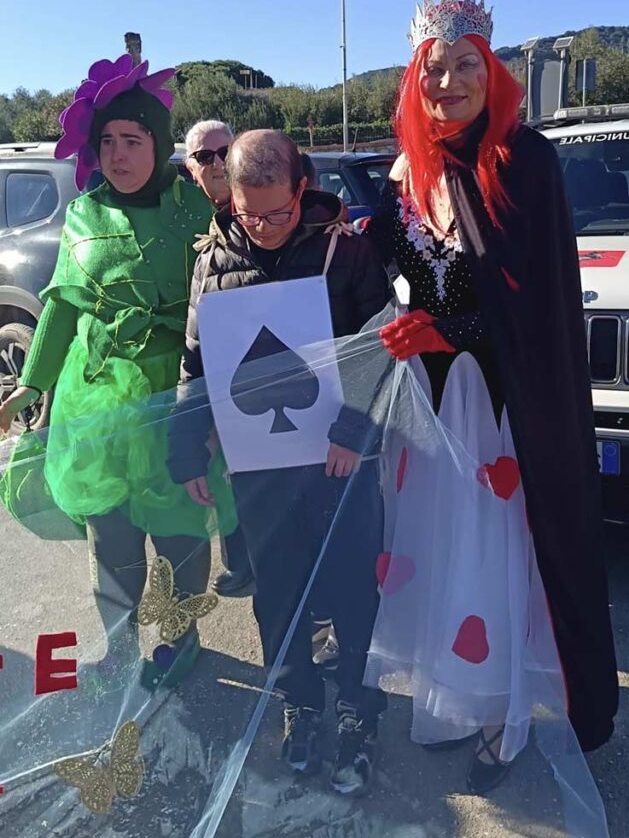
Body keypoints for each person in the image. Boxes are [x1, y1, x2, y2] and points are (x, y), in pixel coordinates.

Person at [363, 0, 618, 795]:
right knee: (443, 558)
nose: (446, 83)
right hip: (429, 408)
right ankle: (453, 700)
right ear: (413, 78)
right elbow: (398, 274)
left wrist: (452, 332)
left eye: (463, 65)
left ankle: (505, 717)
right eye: (430, 69)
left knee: (498, 557)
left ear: (491, 70)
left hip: (502, 415)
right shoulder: (407, 170)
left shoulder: (528, 160)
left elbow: (536, 307)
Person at [167, 129, 391, 796]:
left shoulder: (344, 252)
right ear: (227, 197)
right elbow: (196, 363)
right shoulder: (210, 260)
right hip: (260, 466)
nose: (262, 228)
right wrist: (187, 447)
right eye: (248, 213)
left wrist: (353, 430)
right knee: (278, 592)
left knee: (352, 587)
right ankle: (297, 699)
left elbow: (380, 342)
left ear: (302, 189)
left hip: (339, 461)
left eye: (278, 212)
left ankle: (355, 704)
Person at [0, 54, 235, 687]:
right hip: (96, 397)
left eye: (132, 140)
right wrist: (33, 381)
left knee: (181, 527)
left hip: (177, 396)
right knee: (113, 535)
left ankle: (182, 637)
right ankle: (117, 643)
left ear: (158, 145)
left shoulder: (199, 208)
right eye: (106, 141)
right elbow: (62, 304)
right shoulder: (84, 213)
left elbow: (237, 288)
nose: (117, 154)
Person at [184, 119, 255, 598]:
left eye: (223, 151)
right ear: (191, 168)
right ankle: (241, 563)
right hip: (212, 365)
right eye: (203, 156)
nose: (215, 162)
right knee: (224, 474)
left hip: (269, 367)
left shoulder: (260, 199)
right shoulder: (188, 218)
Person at [185, 119, 233, 209]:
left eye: (225, 153)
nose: (218, 164)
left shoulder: (260, 208)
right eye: (205, 156)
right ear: (191, 169)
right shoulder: (179, 216)